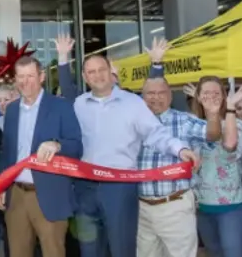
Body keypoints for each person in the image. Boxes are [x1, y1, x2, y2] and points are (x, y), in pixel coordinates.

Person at [71, 55, 198, 257]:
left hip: (119, 189)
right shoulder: (78, 104)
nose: (97, 75)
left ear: (110, 72)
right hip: (85, 190)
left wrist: (179, 149)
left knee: (122, 249)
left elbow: (156, 133)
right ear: (85, 77)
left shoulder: (132, 103)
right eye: (91, 72)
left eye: (101, 69)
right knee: (89, 250)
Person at [0, 57, 82, 257]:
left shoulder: (61, 107)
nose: (25, 82)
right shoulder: (13, 110)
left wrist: (57, 144)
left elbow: (77, 146)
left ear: (42, 77)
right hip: (15, 196)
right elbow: (6, 152)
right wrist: (1, 186)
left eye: (30, 76)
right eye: (21, 77)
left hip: (50, 196)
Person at [136, 76, 217, 257]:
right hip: (141, 208)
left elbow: (212, 135)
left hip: (174, 204)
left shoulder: (185, 120)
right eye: (150, 93)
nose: (155, 97)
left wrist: (212, 114)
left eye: (161, 93)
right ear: (142, 96)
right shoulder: (135, 124)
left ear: (170, 96)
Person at [190, 78, 242, 257]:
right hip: (203, 207)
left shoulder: (236, 124)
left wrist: (230, 109)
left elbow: (230, 148)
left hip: (233, 207)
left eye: (216, 93)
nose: (211, 97)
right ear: (198, 97)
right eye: (206, 93)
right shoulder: (192, 126)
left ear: (224, 96)